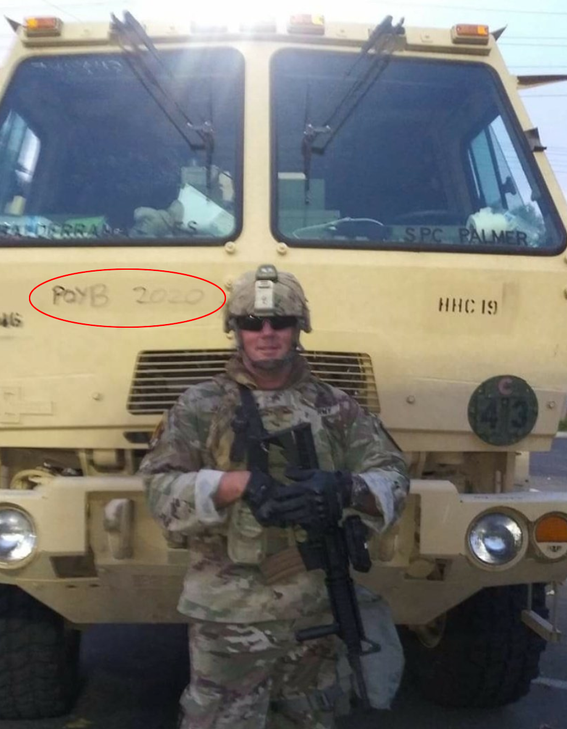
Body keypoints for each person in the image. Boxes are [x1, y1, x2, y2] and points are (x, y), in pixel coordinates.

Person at [138, 264, 409, 729]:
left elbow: (393, 477)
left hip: (315, 611)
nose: (266, 333)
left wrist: (344, 487)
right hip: (228, 616)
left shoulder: (336, 408)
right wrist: (235, 485)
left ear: (298, 328)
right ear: (236, 331)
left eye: (280, 321)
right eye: (251, 323)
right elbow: (159, 489)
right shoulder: (201, 406)